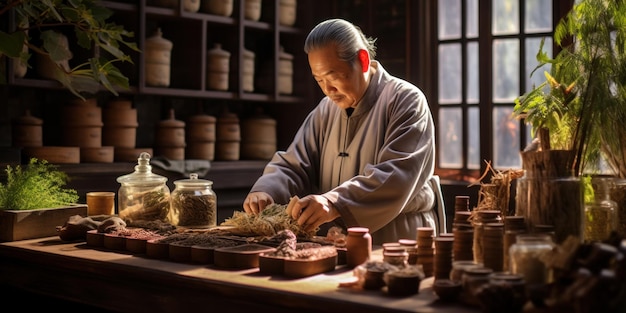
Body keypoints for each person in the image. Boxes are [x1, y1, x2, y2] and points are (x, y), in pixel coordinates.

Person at [243, 18, 438, 245]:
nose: (328, 90)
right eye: (319, 80)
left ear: (363, 60)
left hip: (398, 239)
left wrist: (334, 202)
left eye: (333, 77)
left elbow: (396, 175)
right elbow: (294, 165)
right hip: (337, 242)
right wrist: (266, 191)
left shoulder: (406, 101)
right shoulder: (326, 109)